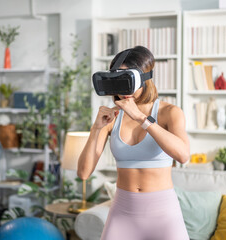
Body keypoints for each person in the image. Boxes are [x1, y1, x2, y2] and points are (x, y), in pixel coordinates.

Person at [77, 46, 190, 240]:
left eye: (127, 80)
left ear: (144, 78)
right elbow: (83, 173)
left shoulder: (170, 112)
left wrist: (141, 118)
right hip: (122, 212)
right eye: (117, 80)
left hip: (163, 214)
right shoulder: (111, 117)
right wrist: (96, 129)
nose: (122, 89)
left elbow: (183, 155)